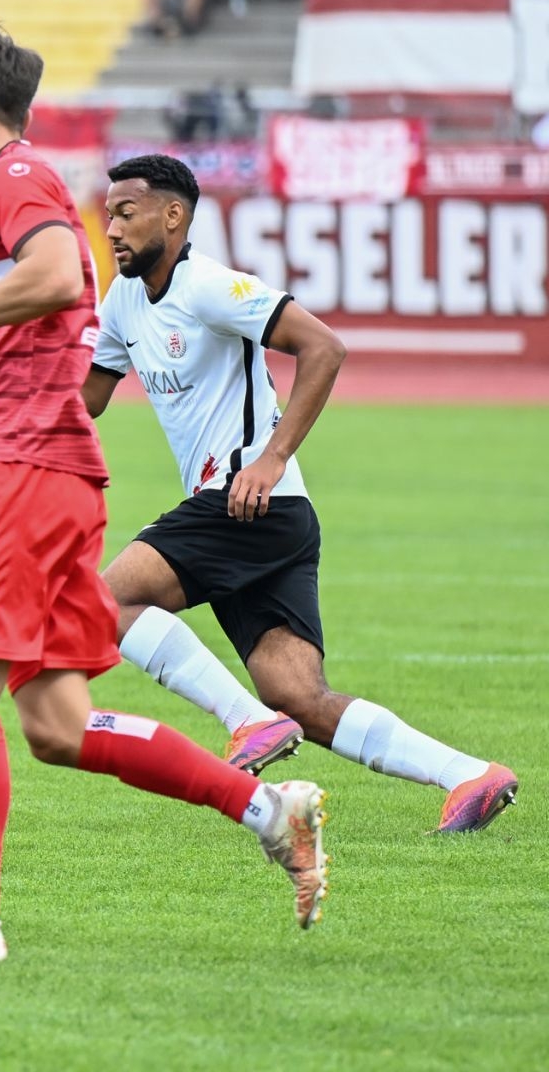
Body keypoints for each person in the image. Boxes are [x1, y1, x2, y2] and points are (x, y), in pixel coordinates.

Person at [0, 20, 328, 968]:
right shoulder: (2, 193)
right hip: (53, 470)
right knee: (56, 725)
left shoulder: (13, 179)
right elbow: (50, 317)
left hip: (20, 471)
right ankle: (267, 808)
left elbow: (57, 271)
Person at [84, 155, 519, 834]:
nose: (110, 227)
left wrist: (272, 456)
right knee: (303, 700)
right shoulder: (122, 301)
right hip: (262, 518)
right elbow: (86, 401)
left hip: (250, 501)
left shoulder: (211, 287)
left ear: (172, 216)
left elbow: (324, 348)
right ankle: (470, 774)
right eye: (108, 212)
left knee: (102, 601)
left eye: (125, 212)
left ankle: (247, 723)